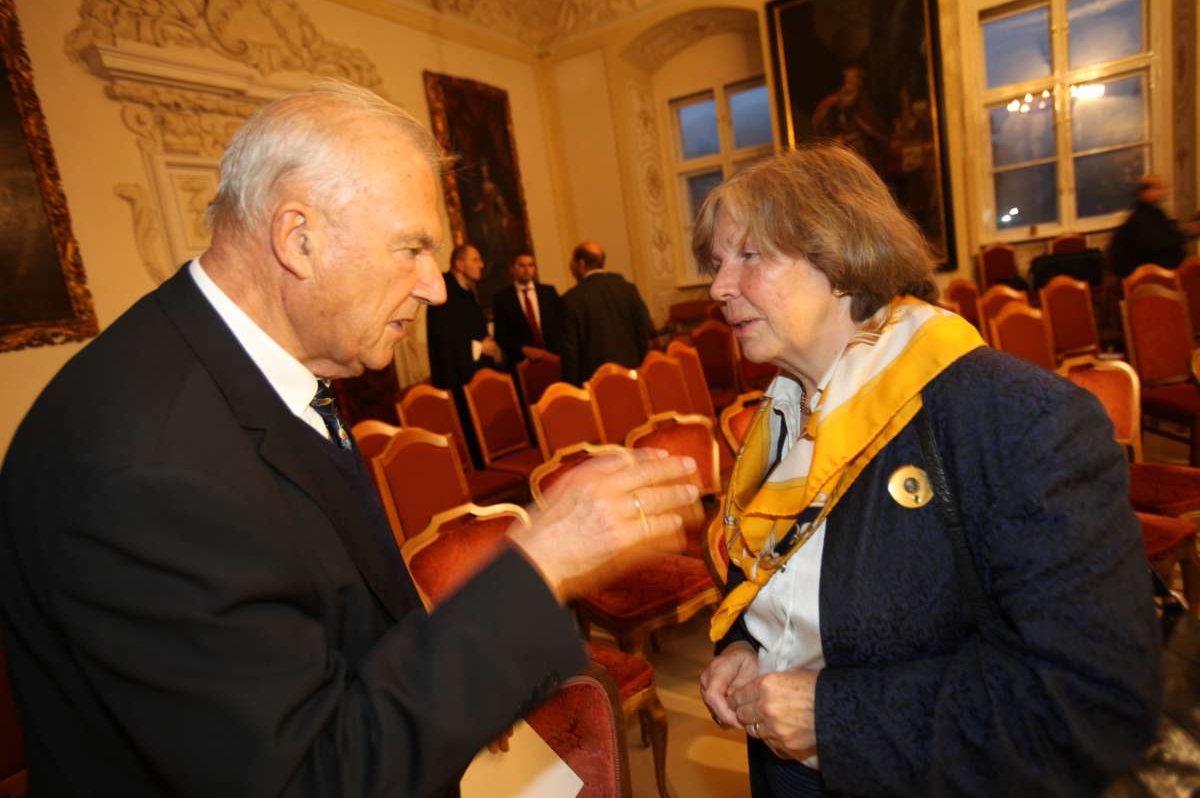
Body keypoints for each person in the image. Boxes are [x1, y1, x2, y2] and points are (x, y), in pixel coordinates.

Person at [0, 80, 700, 797]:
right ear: (298, 240)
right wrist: (542, 562)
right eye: (411, 249)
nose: (434, 287)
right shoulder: (144, 465)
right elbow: (311, 777)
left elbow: (336, 610)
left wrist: (461, 682)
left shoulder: (264, 368)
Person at [695, 143, 1161, 796]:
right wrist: (746, 645)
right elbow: (770, 572)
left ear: (840, 256)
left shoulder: (1015, 419)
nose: (718, 288)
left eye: (748, 255)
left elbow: (1092, 702)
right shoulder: (778, 418)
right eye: (718, 262)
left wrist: (833, 718)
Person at [426, 242, 499, 468]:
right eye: (475, 260)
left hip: (476, 375)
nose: (481, 264)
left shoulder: (467, 291)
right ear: (459, 264)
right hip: (457, 377)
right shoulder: (443, 291)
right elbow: (444, 340)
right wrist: (479, 348)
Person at [560, 240, 654, 385]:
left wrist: (570, 387)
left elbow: (570, 353)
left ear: (581, 264)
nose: (571, 267)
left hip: (595, 382)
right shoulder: (628, 288)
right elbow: (644, 330)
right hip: (631, 374)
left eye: (572, 263)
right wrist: (637, 364)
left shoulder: (571, 299)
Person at [1107, 173, 1200, 278]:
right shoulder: (1141, 218)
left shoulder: (1154, 212)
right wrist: (1187, 232)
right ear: (1146, 192)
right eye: (1159, 187)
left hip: (1163, 273)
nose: (1164, 191)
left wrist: (1187, 231)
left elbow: (1168, 236)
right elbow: (1161, 244)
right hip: (1152, 278)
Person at [492, 250, 564, 370]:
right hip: (522, 362)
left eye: (530, 265)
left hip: (554, 357)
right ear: (512, 269)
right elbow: (500, 336)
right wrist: (523, 349)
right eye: (522, 265)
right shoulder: (502, 298)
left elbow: (562, 323)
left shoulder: (549, 292)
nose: (527, 270)